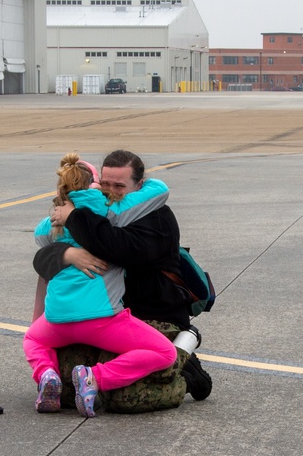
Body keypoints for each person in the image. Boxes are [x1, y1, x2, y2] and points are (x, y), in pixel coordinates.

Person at [33, 150, 212, 412]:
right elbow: (41, 260)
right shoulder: (95, 214)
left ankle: (185, 363)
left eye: (119, 186)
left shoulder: (155, 217)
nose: (111, 191)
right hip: (104, 318)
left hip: (154, 314)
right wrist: (67, 253)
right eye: (105, 184)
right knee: (68, 383)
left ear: (139, 186)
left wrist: (73, 217)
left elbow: (117, 248)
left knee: (124, 396)